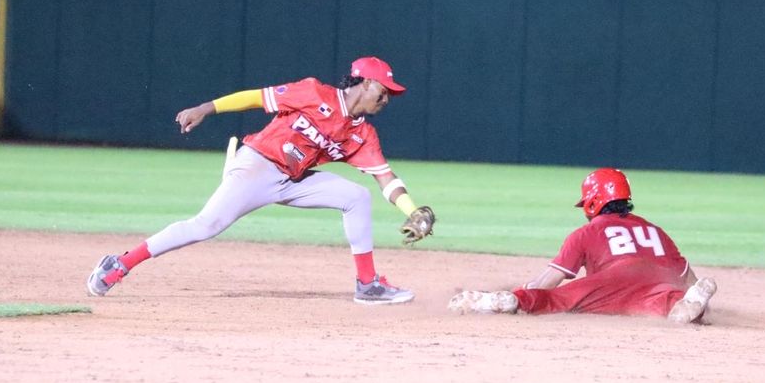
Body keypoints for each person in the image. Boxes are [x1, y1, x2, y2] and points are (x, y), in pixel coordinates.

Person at [87, 56, 436, 305]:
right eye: (384, 89)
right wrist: (205, 109)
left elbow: (386, 179)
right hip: (258, 165)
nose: (387, 98)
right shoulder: (315, 93)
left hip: (293, 179)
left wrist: (412, 209)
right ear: (366, 82)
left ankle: (367, 284)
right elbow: (256, 98)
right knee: (205, 225)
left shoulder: (362, 134)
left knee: (357, 196)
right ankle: (120, 263)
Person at [448, 167, 716, 324]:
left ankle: (501, 300)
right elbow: (688, 279)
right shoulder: (655, 230)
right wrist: (696, 300)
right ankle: (684, 307)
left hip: (610, 282)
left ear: (592, 202)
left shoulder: (588, 232)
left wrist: (521, 291)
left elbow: (548, 282)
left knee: (557, 299)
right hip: (654, 283)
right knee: (666, 298)